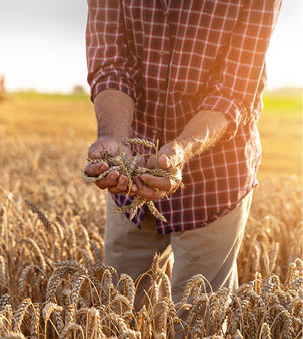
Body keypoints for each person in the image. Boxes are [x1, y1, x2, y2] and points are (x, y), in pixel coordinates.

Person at [84, 0, 281, 306]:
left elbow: (234, 91)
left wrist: (180, 151)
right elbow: (111, 65)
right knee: (117, 310)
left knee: (200, 320)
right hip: (130, 176)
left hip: (215, 176)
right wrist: (115, 137)